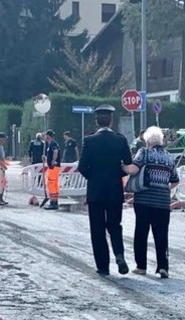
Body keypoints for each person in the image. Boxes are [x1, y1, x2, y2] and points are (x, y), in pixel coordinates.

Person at [78, 104, 132, 276]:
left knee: (97, 229)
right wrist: (116, 174)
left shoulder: (89, 140)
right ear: (111, 120)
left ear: (96, 121)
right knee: (115, 226)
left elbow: (82, 166)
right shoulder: (120, 140)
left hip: (95, 192)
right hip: (115, 190)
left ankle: (103, 266)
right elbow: (128, 163)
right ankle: (119, 255)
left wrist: (93, 178)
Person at [122, 126, 179, 279]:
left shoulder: (144, 153)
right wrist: (164, 188)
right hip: (162, 203)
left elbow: (133, 170)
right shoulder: (169, 157)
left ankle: (141, 266)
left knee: (141, 233)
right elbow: (175, 180)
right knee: (161, 235)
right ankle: (163, 267)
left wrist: (122, 166)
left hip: (144, 201)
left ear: (147, 141)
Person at [43, 130, 61, 210]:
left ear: (48, 136)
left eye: (46, 135)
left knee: (51, 184)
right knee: (55, 184)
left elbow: (55, 152)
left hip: (53, 167)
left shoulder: (53, 144)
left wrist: (53, 161)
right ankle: (55, 201)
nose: (45, 137)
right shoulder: (52, 144)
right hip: (55, 167)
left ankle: (52, 202)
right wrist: (46, 159)